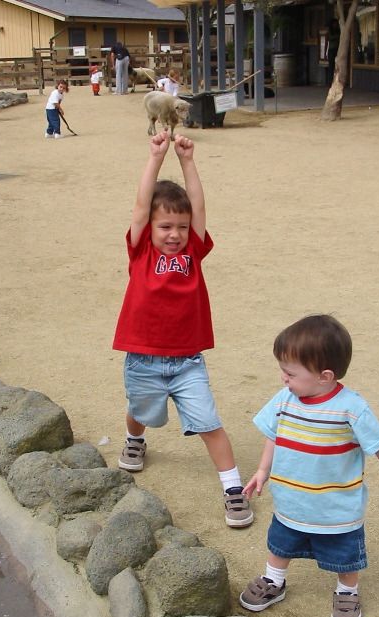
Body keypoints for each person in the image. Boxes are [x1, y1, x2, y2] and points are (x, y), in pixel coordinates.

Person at [112, 130, 254, 529]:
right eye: (165, 227)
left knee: (209, 423)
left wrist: (188, 161)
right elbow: (142, 207)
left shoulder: (193, 247)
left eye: (180, 226)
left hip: (188, 362)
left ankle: (233, 489)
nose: (173, 234)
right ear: (151, 230)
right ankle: (135, 439)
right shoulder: (140, 250)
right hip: (143, 359)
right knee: (141, 410)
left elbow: (198, 205)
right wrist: (156, 157)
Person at [239, 314, 379, 617]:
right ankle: (274, 580)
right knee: (281, 543)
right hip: (292, 500)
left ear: (325, 376)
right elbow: (274, 435)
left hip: (336, 507)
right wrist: (262, 470)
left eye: (290, 373)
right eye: (283, 371)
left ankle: (347, 590)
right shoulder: (284, 399)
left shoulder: (351, 407)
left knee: (344, 553)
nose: (283, 379)